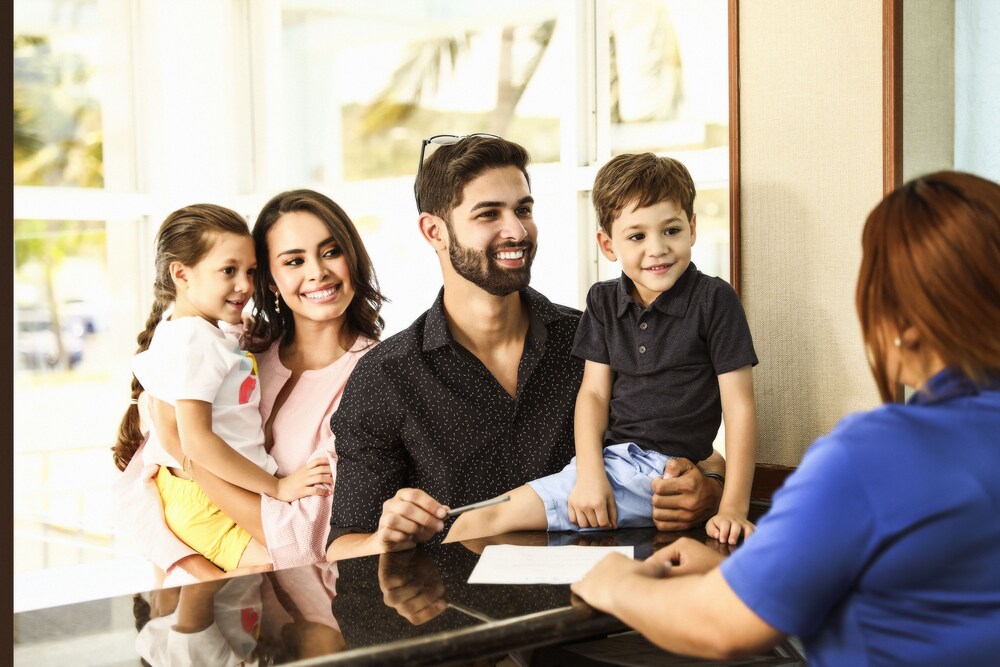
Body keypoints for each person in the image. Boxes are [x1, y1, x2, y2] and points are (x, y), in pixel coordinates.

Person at [570, 170, 1000, 665]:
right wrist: (746, 569)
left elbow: (720, 625)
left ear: (897, 324)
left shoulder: (870, 457)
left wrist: (616, 583)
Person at [326, 134, 727, 561]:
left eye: (523, 209)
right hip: (462, 618)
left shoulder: (595, 336)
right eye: (488, 214)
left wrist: (709, 489)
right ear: (434, 231)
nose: (517, 230)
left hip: (604, 607)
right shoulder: (385, 377)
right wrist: (382, 539)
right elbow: (341, 549)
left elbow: (687, 448)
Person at [447, 153, 758, 545]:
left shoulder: (714, 299)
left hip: (655, 472)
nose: (657, 249)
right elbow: (593, 394)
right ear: (608, 245)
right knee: (473, 523)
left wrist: (733, 507)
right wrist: (591, 476)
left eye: (672, 230)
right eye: (637, 236)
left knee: (479, 523)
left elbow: (740, 406)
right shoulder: (603, 301)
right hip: (608, 464)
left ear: (693, 229)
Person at [115, 191, 384, 579]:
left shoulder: (377, 378)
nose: (317, 272)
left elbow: (309, 539)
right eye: (294, 260)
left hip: (309, 604)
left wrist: (193, 461)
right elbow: (146, 484)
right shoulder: (238, 349)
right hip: (203, 580)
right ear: (272, 280)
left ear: (353, 258)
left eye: (330, 252)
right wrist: (187, 566)